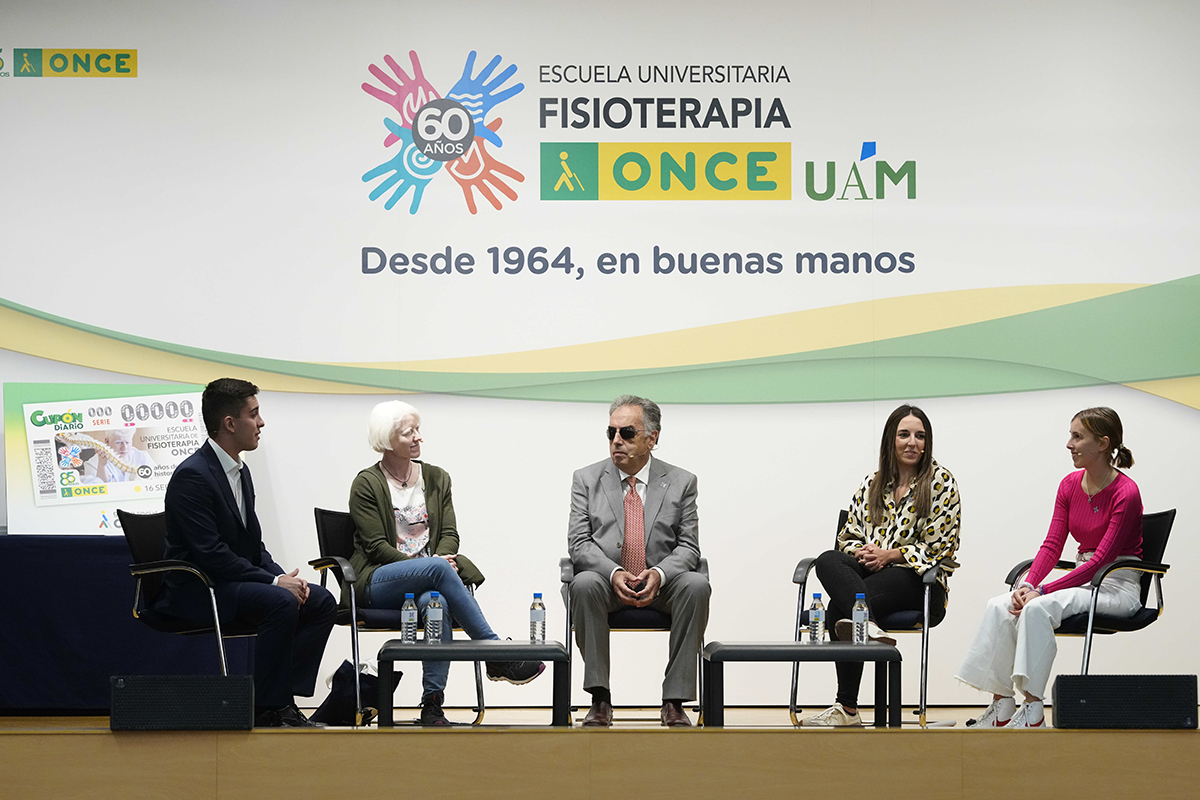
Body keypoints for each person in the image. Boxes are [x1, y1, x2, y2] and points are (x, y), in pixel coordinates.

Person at [347, 400, 544, 726]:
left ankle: (432, 703)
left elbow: (450, 534)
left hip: (432, 581)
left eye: (418, 429)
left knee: (437, 602)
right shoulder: (366, 484)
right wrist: (431, 566)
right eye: (408, 432)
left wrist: (438, 563)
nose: (418, 438)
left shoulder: (437, 478)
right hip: (380, 581)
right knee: (437, 569)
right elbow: (376, 547)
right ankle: (495, 654)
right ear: (386, 438)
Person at [160, 378, 337, 728]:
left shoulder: (241, 472)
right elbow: (211, 554)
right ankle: (270, 707)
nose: (261, 423)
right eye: (254, 414)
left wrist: (284, 578)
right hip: (201, 588)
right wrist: (274, 582)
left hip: (232, 583)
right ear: (230, 423)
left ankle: (280, 697)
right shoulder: (192, 477)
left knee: (319, 601)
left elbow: (252, 546)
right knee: (280, 601)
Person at [957, 407, 1142, 729]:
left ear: (1102, 444)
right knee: (999, 605)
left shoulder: (1126, 493)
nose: (1069, 444)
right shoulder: (1069, 485)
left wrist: (1041, 591)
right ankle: (1002, 706)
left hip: (1116, 584)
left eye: (1077, 436)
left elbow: (1100, 561)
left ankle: (1033, 709)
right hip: (1087, 581)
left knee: (1037, 609)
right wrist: (1025, 586)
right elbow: (1052, 545)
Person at [802, 404, 962, 727]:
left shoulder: (940, 482)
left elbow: (942, 547)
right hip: (871, 575)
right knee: (827, 560)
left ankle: (845, 708)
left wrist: (889, 556)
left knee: (839, 608)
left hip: (917, 580)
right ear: (891, 439)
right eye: (904, 434)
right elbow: (848, 535)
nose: (912, 443)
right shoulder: (874, 484)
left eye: (920, 436)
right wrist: (867, 554)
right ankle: (870, 628)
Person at [567, 395, 710, 728]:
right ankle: (599, 699)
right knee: (584, 582)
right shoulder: (587, 479)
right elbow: (579, 544)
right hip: (607, 584)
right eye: (611, 432)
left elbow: (689, 548)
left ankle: (674, 701)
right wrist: (614, 572)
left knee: (697, 585)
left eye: (627, 433)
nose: (617, 440)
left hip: (662, 586)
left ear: (652, 438)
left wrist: (659, 574)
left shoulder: (681, 482)